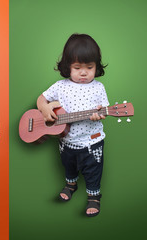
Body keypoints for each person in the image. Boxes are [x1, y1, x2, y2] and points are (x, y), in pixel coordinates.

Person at [36, 33, 109, 217]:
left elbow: (104, 109)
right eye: (77, 67)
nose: (83, 72)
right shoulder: (60, 86)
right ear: (67, 66)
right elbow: (41, 99)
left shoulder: (98, 88)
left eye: (89, 67)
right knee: (68, 165)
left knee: (93, 170)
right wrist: (44, 109)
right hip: (66, 141)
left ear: (96, 67)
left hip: (92, 142)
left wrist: (98, 114)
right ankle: (71, 184)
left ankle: (94, 196)